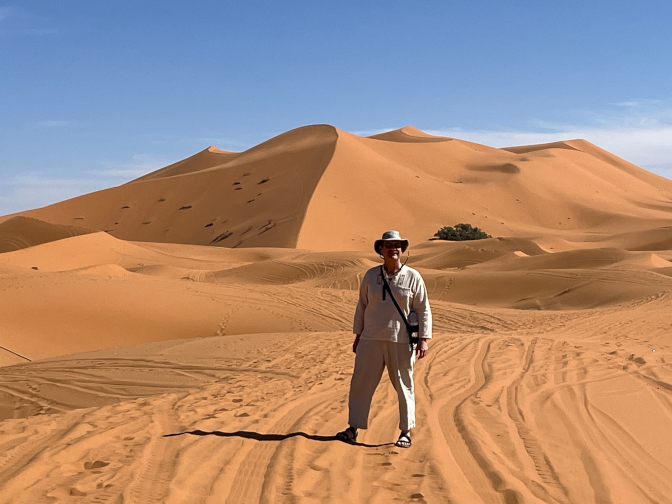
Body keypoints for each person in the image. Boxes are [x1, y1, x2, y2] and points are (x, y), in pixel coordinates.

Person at [336, 230, 432, 448]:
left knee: (404, 386)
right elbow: (362, 306)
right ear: (381, 249)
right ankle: (353, 428)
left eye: (398, 245)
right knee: (361, 384)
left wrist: (423, 339)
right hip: (370, 339)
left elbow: (423, 309)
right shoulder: (370, 276)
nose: (394, 248)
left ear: (402, 249)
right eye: (389, 245)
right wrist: (358, 336)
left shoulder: (413, 276)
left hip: (400, 340)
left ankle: (405, 432)